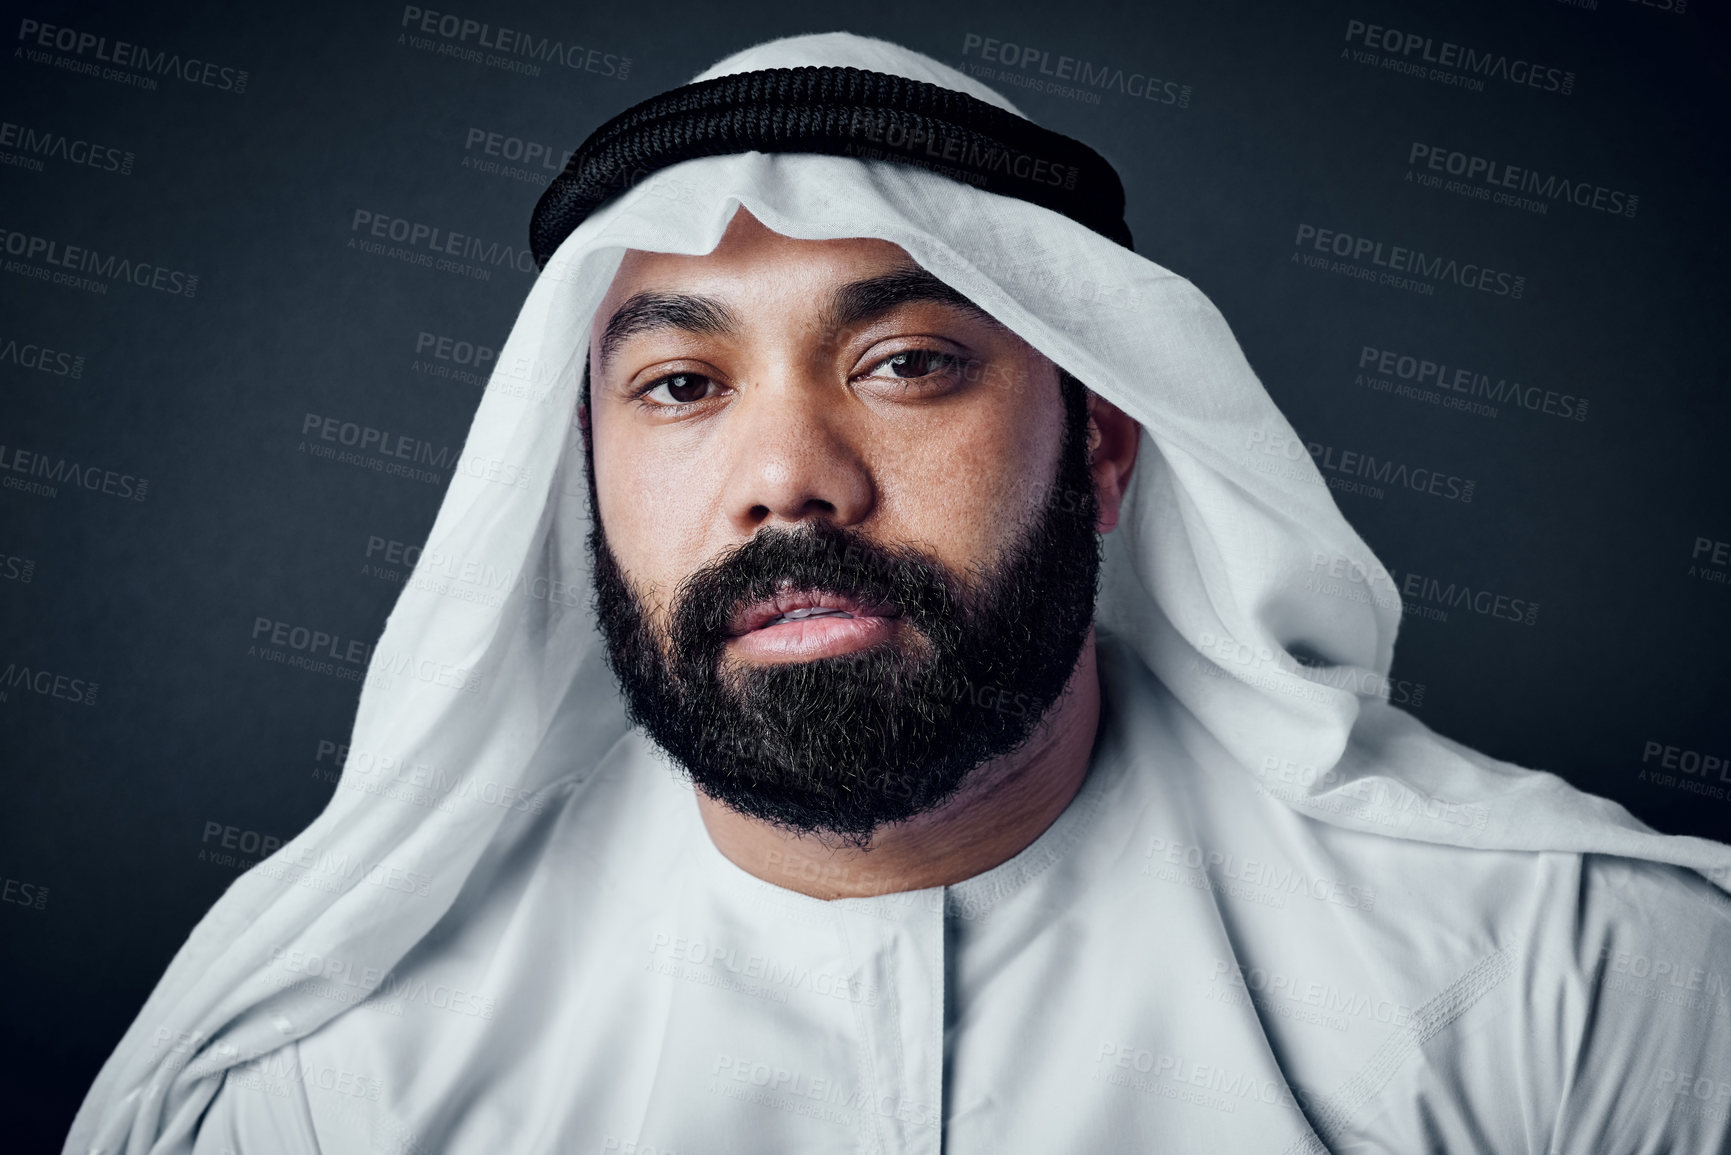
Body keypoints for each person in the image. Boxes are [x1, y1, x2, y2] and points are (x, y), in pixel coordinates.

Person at [70, 32, 1731, 1155]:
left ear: (1100, 443)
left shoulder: (1574, 984)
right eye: (677, 389)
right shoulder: (330, 1085)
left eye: (908, 362)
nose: (787, 475)